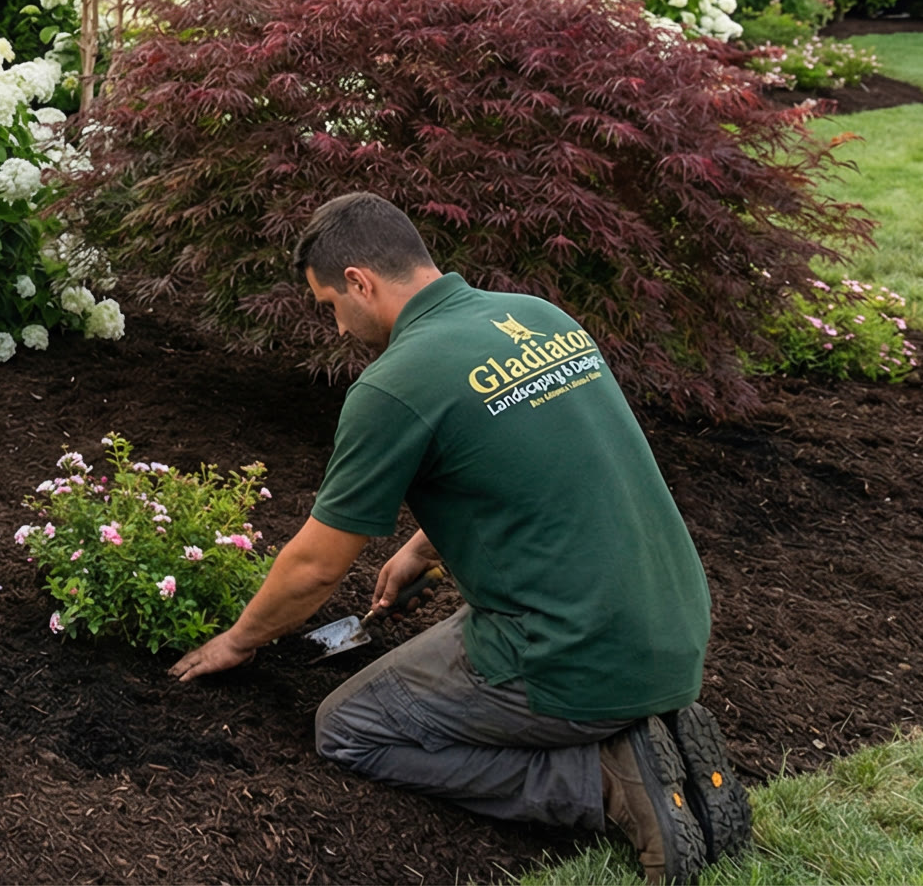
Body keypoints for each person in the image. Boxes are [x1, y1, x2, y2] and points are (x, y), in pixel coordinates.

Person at [168, 192, 747, 885]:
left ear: (359, 281)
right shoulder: (535, 318)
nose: (338, 326)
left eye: (329, 305)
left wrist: (237, 640)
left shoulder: (395, 384)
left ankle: (600, 780)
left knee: (349, 730)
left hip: (574, 656)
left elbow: (317, 567)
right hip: (674, 627)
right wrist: (422, 546)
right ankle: (652, 735)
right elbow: (536, 465)